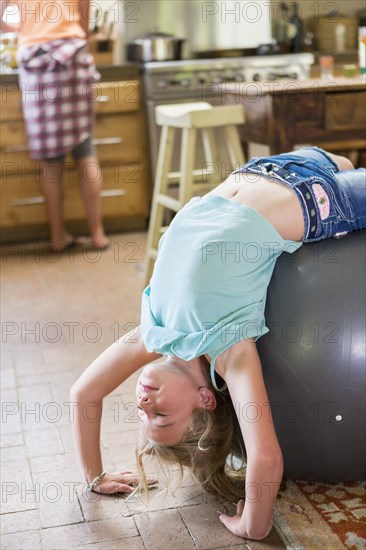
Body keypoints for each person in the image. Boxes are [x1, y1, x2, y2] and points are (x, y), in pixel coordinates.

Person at [70, 147, 366, 541]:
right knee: (347, 167)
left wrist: (95, 477)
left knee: (346, 161)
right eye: (161, 417)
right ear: (204, 400)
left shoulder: (154, 333)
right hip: (312, 201)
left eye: (143, 416)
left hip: (263, 169)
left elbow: (84, 393)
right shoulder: (230, 351)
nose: (143, 405)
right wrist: (253, 525)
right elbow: (266, 457)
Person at [0, 0, 109, 251]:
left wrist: (19, 30)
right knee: (85, 148)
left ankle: (57, 237)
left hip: (34, 57)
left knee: (50, 160)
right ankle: (97, 234)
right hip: (72, 52)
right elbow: (84, 15)